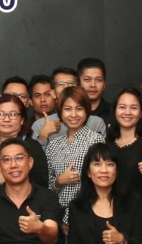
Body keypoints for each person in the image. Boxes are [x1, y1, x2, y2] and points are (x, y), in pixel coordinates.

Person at [106, 87, 142, 220]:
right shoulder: (107, 145)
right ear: (115, 111)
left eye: (133, 108)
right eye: (122, 107)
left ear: (140, 114)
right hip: (112, 213)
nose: (127, 112)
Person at [45, 87, 104, 216]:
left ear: (86, 111)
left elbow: (102, 181)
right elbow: (47, 185)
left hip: (86, 213)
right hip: (56, 215)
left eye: (79, 109)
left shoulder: (95, 140)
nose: (73, 115)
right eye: (67, 109)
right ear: (60, 112)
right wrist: (58, 181)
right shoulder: (53, 145)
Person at [0, 94, 48, 190]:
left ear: (22, 120)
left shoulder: (32, 147)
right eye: (0, 114)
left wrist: (6, 180)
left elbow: (42, 186)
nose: (6, 119)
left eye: (13, 114)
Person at [77, 57, 112, 125]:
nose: (93, 85)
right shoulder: (70, 113)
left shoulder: (114, 112)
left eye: (98, 80)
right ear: (78, 83)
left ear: (104, 85)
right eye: (87, 79)